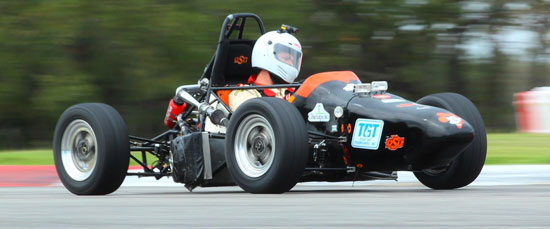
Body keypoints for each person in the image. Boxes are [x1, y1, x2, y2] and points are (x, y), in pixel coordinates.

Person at [228, 29, 303, 110]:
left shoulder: (294, 90)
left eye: (293, 61)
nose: (291, 64)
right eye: (286, 58)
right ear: (265, 56)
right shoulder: (243, 94)